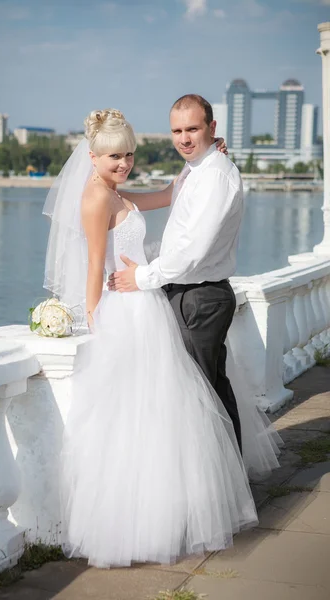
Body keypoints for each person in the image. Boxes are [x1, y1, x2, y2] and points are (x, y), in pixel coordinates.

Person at [43, 108, 258, 569]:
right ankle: (141, 518)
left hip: (147, 302)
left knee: (165, 409)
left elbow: (166, 194)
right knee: (138, 413)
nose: (124, 164)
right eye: (114, 156)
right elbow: (96, 266)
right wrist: (97, 318)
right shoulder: (96, 198)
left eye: (129, 155)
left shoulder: (116, 191)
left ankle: (171, 509)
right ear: (93, 155)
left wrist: (201, 157)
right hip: (127, 308)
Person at [108, 94, 282, 475]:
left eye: (193, 129)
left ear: (211, 128)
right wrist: (110, 198)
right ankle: (226, 482)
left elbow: (193, 250)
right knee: (211, 393)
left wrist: (142, 277)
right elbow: (176, 228)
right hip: (188, 294)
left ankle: (220, 489)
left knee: (202, 399)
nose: (184, 138)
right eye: (177, 130)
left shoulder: (215, 175)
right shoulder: (196, 170)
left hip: (200, 298)